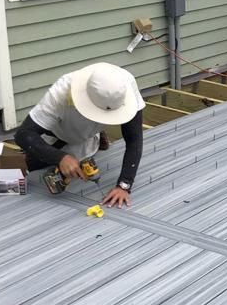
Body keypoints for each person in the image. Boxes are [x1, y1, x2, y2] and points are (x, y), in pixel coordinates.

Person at [14, 62, 145, 208]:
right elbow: (23, 134)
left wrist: (124, 185)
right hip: (56, 135)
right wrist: (59, 157)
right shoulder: (61, 92)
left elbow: (134, 139)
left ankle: (96, 137)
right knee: (19, 167)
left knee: (78, 158)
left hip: (86, 138)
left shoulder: (125, 86)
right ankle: (74, 148)